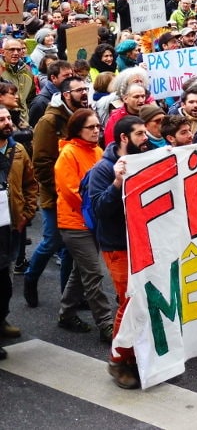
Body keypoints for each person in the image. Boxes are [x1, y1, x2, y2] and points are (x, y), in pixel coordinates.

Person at [92, 115, 149, 389]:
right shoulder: (102, 170)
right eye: (139, 134)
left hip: (143, 242)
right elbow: (99, 209)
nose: (146, 138)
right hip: (118, 246)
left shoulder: (147, 157)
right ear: (124, 138)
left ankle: (138, 354)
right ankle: (118, 360)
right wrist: (117, 183)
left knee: (144, 301)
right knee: (129, 303)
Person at [24, 75, 91, 308]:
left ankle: (68, 298)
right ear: (66, 95)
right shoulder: (49, 121)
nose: (84, 93)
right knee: (53, 242)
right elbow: (40, 163)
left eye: (85, 88)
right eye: (79, 90)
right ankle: (31, 279)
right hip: (55, 196)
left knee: (70, 251)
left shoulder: (83, 115)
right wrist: (59, 190)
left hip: (78, 195)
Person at [55, 108, 114, 339]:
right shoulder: (68, 155)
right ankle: (106, 323)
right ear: (77, 130)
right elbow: (72, 193)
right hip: (74, 223)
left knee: (81, 272)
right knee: (94, 273)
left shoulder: (98, 151)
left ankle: (66, 313)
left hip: (94, 222)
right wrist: (101, 206)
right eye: (91, 127)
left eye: (98, 126)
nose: (96, 131)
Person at [0, 105, 37, 359]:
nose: (6, 122)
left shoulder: (18, 149)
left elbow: (30, 184)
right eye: (0, 119)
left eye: (6, 118)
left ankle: (1, 320)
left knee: (5, 281)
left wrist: (27, 213)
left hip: (12, 226)